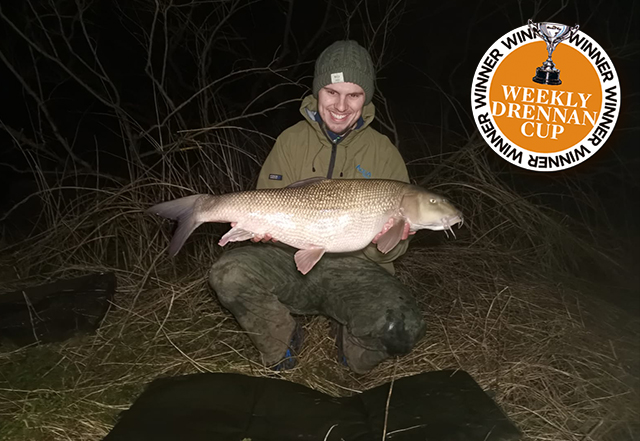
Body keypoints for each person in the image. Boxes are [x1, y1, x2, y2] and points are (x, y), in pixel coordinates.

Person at [208, 40, 426, 374]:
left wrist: (385, 241)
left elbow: (391, 254)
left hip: (357, 272)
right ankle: (284, 340)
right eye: (331, 92)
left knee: (403, 328)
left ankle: (349, 342)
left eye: (353, 95)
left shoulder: (384, 153)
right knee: (228, 273)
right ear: (317, 92)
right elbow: (267, 202)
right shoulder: (291, 141)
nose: (341, 105)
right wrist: (264, 234)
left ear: (365, 98)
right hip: (291, 260)